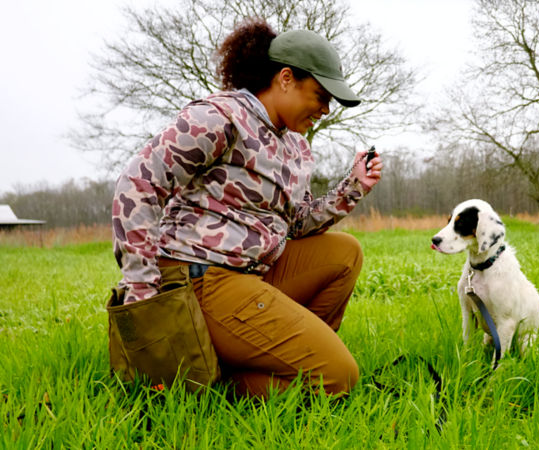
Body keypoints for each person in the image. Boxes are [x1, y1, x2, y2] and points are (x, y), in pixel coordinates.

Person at [111, 17, 382, 398]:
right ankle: (219, 384)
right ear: (285, 78)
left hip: (252, 274)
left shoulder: (296, 147)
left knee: (345, 253)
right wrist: (141, 288)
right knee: (338, 378)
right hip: (201, 279)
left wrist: (353, 188)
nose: (325, 110)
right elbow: (138, 183)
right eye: (321, 96)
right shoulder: (220, 118)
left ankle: (269, 356)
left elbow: (297, 225)